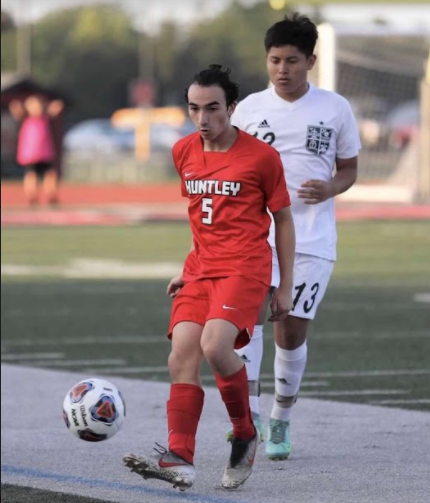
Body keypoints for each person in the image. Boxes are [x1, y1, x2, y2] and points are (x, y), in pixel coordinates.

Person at [123, 64, 295, 491]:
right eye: (194, 109)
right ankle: (180, 456)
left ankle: (244, 432)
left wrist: (285, 285)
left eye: (213, 108)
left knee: (215, 346)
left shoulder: (261, 157)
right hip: (200, 270)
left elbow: (284, 220)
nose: (203, 118)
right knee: (181, 353)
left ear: (232, 107)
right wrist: (188, 271)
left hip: (246, 267)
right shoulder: (183, 151)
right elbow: (205, 218)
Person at [230, 13, 361, 460]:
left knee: (290, 332)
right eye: (274, 60)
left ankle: (281, 418)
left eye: (291, 60)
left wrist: (330, 187)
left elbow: (349, 170)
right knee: (245, 331)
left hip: (311, 240)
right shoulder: (247, 110)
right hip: (254, 239)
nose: (282, 69)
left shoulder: (335, 108)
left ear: (311, 61)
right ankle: (245, 425)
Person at [9, 95, 64, 205]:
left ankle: (51, 195)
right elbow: (15, 110)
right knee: (31, 174)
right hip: (30, 154)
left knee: (50, 174)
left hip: (45, 153)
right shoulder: (25, 119)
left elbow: (57, 107)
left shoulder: (46, 118)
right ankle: (31, 196)